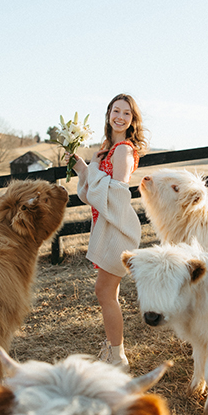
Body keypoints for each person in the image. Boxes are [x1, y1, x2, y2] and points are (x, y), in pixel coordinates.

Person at [66, 95, 147, 371]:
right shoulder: (108, 149)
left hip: (117, 229)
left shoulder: (123, 150)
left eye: (127, 113)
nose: (120, 117)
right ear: (108, 114)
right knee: (107, 292)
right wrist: (85, 166)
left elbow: (115, 194)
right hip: (107, 225)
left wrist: (90, 167)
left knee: (104, 292)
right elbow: (93, 191)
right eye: (116, 111)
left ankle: (118, 357)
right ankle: (114, 349)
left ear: (132, 120)